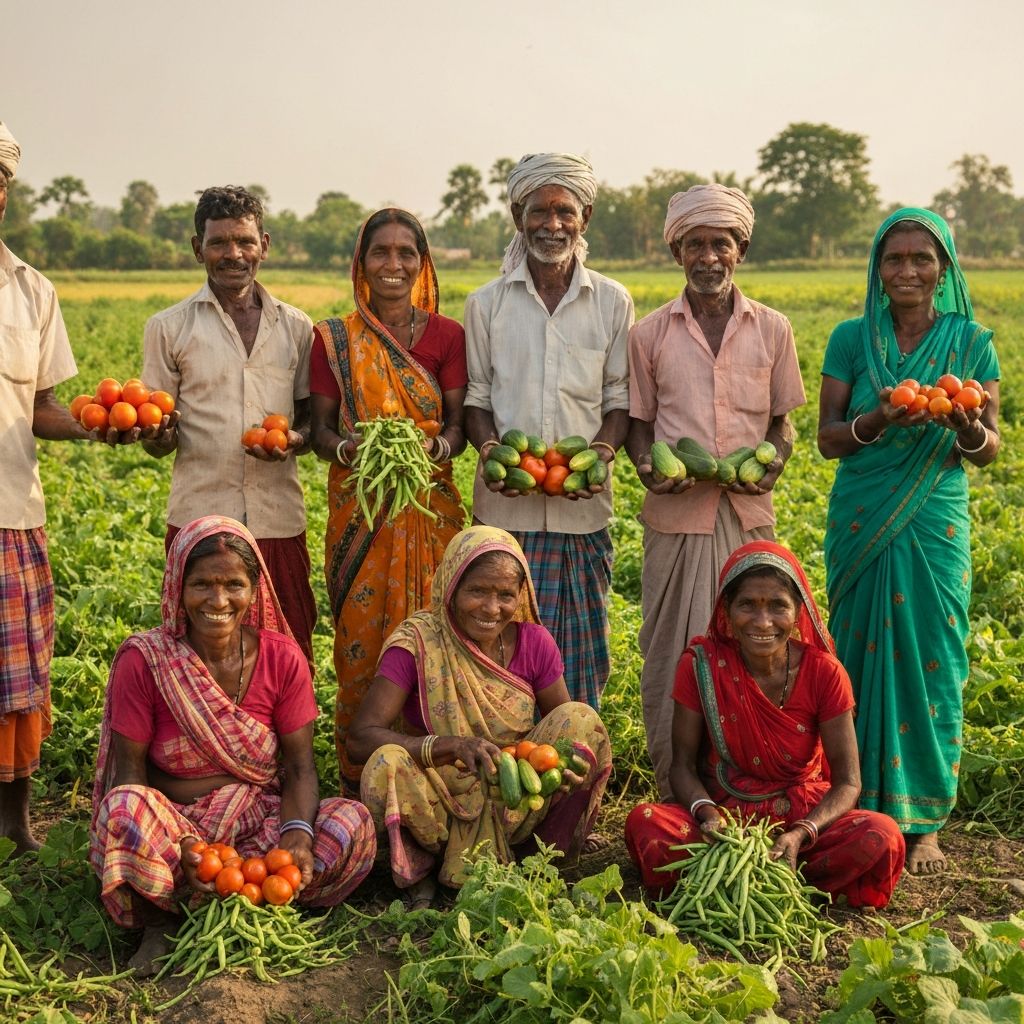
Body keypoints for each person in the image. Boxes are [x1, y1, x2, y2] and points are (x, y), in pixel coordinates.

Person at [89, 516, 376, 972]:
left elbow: (301, 769)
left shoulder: (282, 657)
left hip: (261, 821)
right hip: (176, 827)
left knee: (352, 821)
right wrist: (184, 846)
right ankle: (158, 919)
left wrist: (296, 836)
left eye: (233, 584)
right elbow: (131, 776)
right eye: (202, 584)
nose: (218, 600)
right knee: (124, 808)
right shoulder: (146, 661)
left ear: (255, 587)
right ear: (178, 587)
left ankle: (249, 894)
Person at [817, 208, 1000, 875]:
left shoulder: (972, 343)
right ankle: (854, 799)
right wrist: (879, 418)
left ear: (945, 268)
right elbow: (827, 438)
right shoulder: (849, 339)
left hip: (934, 522)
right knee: (856, 657)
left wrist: (967, 423)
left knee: (934, 655)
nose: (907, 271)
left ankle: (925, 822)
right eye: (894, 259)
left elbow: (987, 452)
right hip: (863, 515)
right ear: (877, 267)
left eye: (923, 259)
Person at [625, 184, 806, 799]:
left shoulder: (774, 329)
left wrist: (774, 460)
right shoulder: (649, 333)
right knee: (671, 649)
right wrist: (650, 466)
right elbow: (639, 427)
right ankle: (677, 790)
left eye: (720, 244)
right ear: (677, 251)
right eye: (695, 244)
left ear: (740, 250)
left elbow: (783, 423)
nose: (708, 257)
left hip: (747, 514)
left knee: (757, 646)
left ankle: (749, 781)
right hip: (676, 517)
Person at [625, 541, 905, 909]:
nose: (763, 622)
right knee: (645, 822)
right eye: (747, 605)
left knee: (882, 835)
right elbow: (682, 766)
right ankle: (748, 873)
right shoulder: (702, 665)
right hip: (727, 815)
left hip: (804, 816)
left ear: (797, 612)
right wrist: (709, 817)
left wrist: (803, 833)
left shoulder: (824, 672)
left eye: (777, 606)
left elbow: (849, 782)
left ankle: (750, 874)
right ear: (727, 609)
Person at [0, 120, 140, 852]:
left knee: (17, 673)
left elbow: (43, 407)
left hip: (10, 509)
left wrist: (97, 425)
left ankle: (15, 821)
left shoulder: (31, 291)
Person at [347, 526, 612, 907]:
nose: (492, 609)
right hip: (438, 798)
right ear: (451, 587)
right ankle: (421, 868)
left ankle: (540, 856)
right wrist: (445, 746)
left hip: (513, 797)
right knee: (385, 763)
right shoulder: (418, 644)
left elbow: (564, 724)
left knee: (581, 719)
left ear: (521, 595)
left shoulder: (534, 642)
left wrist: (568, 764)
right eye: (478, 591)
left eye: (505, 594)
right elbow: (360, 739)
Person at [464, 153, 633, 710]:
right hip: (505, 513)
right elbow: (477, 398)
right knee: (498, 651)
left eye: (565, 211)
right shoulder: (486, 304)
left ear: (584, 217)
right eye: (539, 211)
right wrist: (491, 451)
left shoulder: (611, 301)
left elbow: (617, 398)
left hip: (583, 512)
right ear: (518, 215)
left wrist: (602, 454)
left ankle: (577, 769)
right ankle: (503, 776)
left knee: (582, 654)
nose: (551, 224)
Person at [309, 208, 467, 792]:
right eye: (381, 252)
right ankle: (363, 783)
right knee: (362, 643)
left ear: (421, 264)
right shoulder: (333, 339)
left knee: (438, 637)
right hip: (362, 514)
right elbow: (320, 430)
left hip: (432, 511)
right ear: (362, 263)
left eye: (407, 253)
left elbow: (456, 427)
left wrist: (437, 451)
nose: (393, 264)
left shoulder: (448, 335)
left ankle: (439, 778)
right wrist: (355, 451)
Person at [141, 186, 318, 668]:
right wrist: (156, 436)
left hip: (276, 518)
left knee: (288, 650)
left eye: (244, 241)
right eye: (219, 243)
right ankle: (205, 743)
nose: (233, 255)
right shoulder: (169, 327)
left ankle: (285, 747)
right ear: (198, 248)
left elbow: (307, 416)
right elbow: (158, 429)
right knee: (199, 653)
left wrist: (295, 439)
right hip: (199, 515)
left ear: (264, 243)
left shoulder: (297, 327)